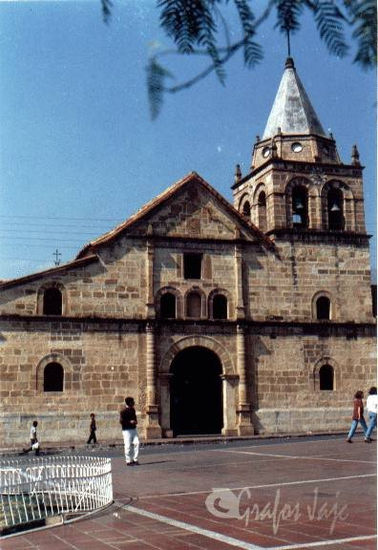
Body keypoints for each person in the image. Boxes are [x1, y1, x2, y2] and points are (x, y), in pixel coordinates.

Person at [120, 396, 140, 466]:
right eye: (132, 402)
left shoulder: (133, 410)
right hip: (126, 430)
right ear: (129, 403)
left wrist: (135, 421)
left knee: (137, 443)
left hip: (133, 429)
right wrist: (129, 422)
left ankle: (135, 459)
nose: (134, 403)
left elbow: (135, 418)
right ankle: (128, 461)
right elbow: (122, 421)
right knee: (127, 445)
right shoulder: (123, 411)